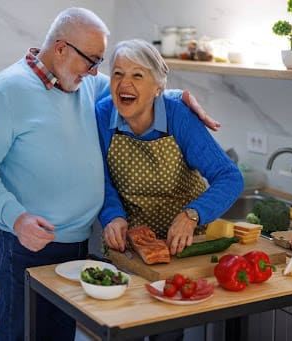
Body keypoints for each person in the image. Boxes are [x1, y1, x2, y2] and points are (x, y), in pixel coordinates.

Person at [0, 7, 219, 341]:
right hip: (29, 245)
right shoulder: (6, 91)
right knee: (22, 334)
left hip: (80, 245)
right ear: (60, 49)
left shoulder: (84, 83)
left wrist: (178, 97)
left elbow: (131, 92)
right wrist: (17, 219)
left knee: (59, 335)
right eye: (93, 61)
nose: (97, 71)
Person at [96, 39, 243, 340]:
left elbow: (230, 177)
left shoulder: (179, 116)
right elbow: (102, 180)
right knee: (125, 328)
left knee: (167, 333)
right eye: (118, 74)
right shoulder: (102, 116)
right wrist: (112, 216)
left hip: (182, 249)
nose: (125, 84)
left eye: (138, 75)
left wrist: (192, 214)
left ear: (158, 88)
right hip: (130, 249)